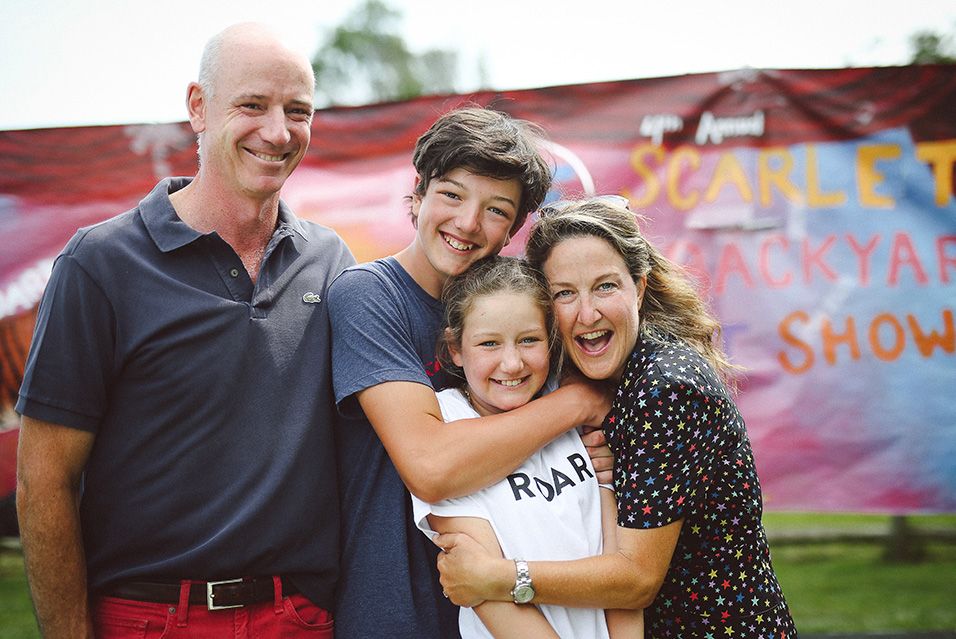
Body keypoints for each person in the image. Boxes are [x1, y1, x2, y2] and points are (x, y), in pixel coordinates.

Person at [15, 23, 354, 638]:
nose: (278, 132)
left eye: (297, 111)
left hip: (300, 620)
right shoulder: (100, 263)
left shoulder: (332, 263)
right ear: (198, 107)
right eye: (252, 105)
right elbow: (43, 480)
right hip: (147, 619)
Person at [434, 196, 798, 638]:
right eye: (565, 293)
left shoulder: (663, 387)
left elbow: (636, 580)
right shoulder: (591, 384)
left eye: (605, 286)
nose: (587, 313)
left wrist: (500, 577)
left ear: (638, 288)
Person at [327, 108, 614, 639]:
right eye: (452, 195)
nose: (466, 222)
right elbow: (432, 467)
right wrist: (576, 404)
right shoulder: (369, 295)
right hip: (400, 613)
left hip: (521, 611)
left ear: (513, 228)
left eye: (495, 209)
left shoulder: (518, 307)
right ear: (418, 194)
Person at [409, 256, 643, 639]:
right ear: (454, 348)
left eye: (529, 340)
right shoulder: (446, 426)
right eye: (489, 343)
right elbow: (483, 590)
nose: (513, 363)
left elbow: (616, 563)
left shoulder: (566, 408)